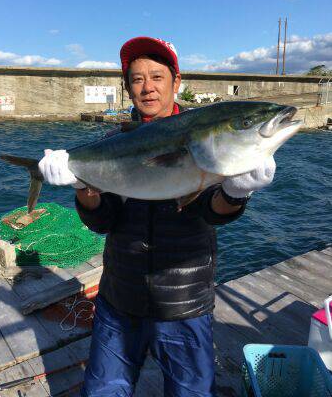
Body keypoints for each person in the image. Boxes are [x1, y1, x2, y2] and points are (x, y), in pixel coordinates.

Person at [38, 37, 276, 397]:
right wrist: (82, 187)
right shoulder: (112, 142)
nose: (147, 87)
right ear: (128, 88)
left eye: (157, 77)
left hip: (185, 305)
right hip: (120, 300)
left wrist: (236, 192)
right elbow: (103, 221)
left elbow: (211, 211)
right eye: (136, 79)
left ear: (176, 82)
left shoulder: (203, 138)